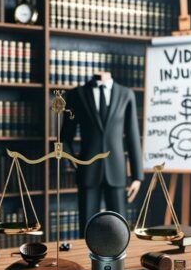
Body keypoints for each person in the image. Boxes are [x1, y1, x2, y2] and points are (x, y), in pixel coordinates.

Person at [61, 75, 144, 236]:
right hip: (87, 169)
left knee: (119, 227)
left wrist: (137, 176)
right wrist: (72, 160)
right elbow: (65, 137)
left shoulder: (126, 94)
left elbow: (133, 136)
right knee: (87, 227)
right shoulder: (76, 94)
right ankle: (85, 260)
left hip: (117, 169)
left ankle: (118, 260)